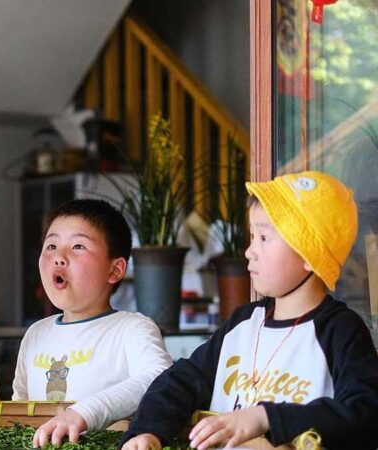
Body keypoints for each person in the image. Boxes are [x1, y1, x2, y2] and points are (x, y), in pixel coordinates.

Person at [121, 171, 378, 450]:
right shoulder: (242, 323)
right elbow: (179, 382)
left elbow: (366, 414)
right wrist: (147, 431)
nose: (249, 251)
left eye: (264, 238)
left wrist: (265, 417)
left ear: (309, 253)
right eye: (252, 236)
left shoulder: (341, 331)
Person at [12, 199, 172, 448]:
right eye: (51, 245)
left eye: (78, 246)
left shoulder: (132, 329)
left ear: (115, 270)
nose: (59, 257)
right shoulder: (35, 334)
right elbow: (17, 412)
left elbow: (159, 379)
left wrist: (85, 413)